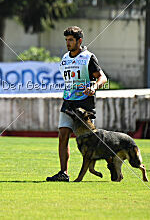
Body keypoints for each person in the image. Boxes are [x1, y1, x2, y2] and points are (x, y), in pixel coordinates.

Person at [46, 26, 108, 181]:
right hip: (68, 103)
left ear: (79, 41)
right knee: (63, 136)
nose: (68, 43)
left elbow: (102, 78)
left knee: (89, 142)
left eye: (71, 40)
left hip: (84, 106)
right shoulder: (65, 58)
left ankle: (110, 160)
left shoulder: (88, 57)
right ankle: (63, 173)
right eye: (66, 40)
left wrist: (93, 87)